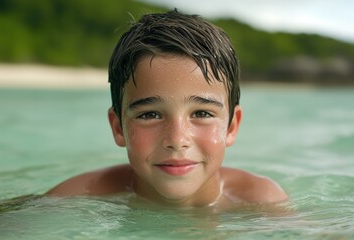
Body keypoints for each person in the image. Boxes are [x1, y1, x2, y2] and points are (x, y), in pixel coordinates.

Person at [47, 9, 288, 208]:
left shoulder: (261, 201)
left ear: (231, 126)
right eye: (150, 114)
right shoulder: (77, 197)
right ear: (118, 127)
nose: (177, 139)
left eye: (202, 113)